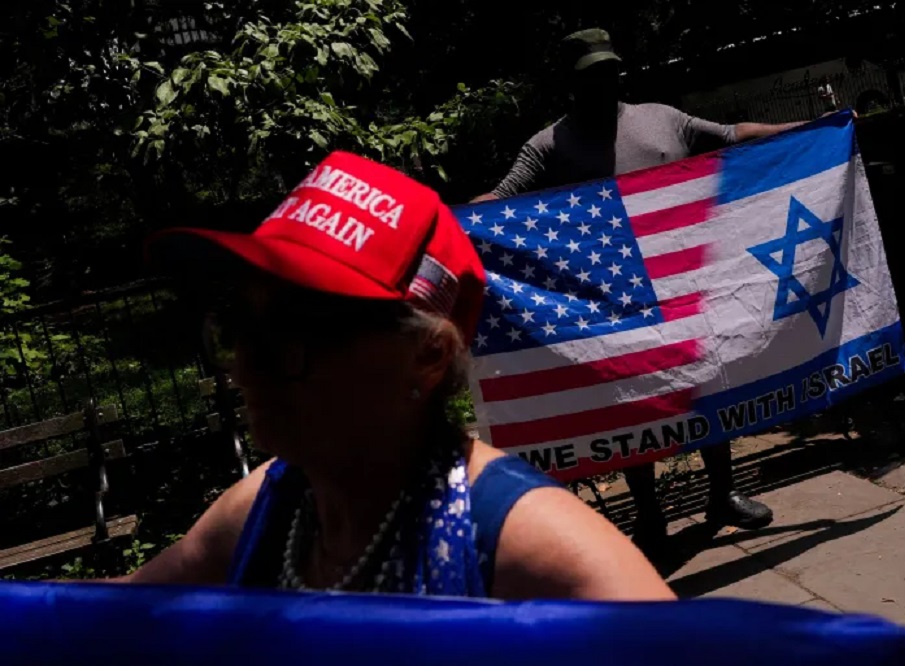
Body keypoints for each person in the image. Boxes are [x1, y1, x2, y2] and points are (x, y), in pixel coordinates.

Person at [115, 150, 674, 600]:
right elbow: (112, 613)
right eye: (241, 329)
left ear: (428, 356)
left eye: (295, 333)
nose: (246, 368)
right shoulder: (266, 508)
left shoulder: (529, 546)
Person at [473, 28, 836, 554]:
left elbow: (732, 135)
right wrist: (454, 217)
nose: (603, 82)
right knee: (629, 403)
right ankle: (649, 517)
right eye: (591, 75)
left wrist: (812, 128)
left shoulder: (660, 118)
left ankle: (722, 494)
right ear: (570, 83)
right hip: (610, 295)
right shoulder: (549, 144)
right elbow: (504, 196)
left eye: (609, 71)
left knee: (706, 382)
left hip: (682, 281)